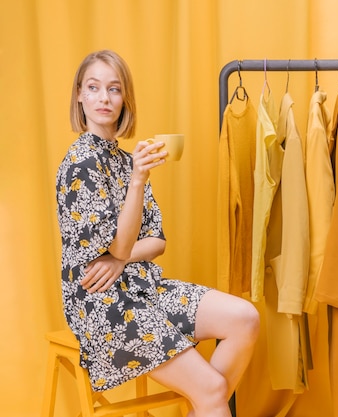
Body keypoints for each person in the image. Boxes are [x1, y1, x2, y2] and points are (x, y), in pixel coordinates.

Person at [55, 49, 259, 417]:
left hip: (144, 289)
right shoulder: (81, 162)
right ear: (79, 97)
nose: (104, 98)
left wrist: (121, 259)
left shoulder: (125, 159)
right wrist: (137, 183)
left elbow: (156, 242)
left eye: (114, 89)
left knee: (245, 319)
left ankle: (206, 403)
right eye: (94, 87)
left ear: (124, 99)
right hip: (102, 305)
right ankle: (208, 401)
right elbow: (118, 243)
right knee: (212, 389)